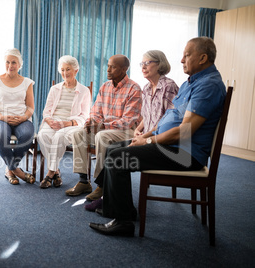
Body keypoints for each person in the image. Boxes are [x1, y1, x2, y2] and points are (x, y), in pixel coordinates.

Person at [89, 37, 226, 236]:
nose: (181, 60)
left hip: (184, 153)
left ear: (203, 58)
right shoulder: (192, 82)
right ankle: (120, 210)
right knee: (113, 149)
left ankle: (123, 222)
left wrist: (148, 140)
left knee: (119, 158)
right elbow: (169, 119)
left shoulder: (208, 85)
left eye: (187, 55)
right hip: (170, 144)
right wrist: (147, 135)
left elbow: (184, 131)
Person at [85, 50, 179, 212]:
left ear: (160, 64)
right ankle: (106, 194)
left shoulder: (168, 87)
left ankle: (114, 202)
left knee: (115, 153)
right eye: (141, 64)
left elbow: (167, 121)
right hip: (148, 135)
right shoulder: (148, 88)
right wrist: (139, 130)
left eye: (147, 63)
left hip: (161, 140)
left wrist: (145, 137)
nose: (143, 66)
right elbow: (146, 117)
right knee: (112, 150)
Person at [65, 55, 142, 198]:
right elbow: (96, 111)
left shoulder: (134, 89)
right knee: (78, 133)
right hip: (105, 128)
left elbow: (128, 121)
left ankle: (102, 184)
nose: (108, 70)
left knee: (102, 135)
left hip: (126, 132)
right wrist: (91, 122)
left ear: (124, 69)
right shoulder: (105, 86)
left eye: (113, 67)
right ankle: (83, 182)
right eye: (108, 66)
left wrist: (102, 126)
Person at [37, 56, 91, 189]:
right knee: (42, 136)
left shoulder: (84, 91)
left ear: (76, 70)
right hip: (53, 121)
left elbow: (84, 116)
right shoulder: (54, 88)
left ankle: (50, 173)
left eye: (68, 69)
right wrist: (49, 120)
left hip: (71, 124)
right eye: (62, 70)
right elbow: (47, 111)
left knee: (59, 137)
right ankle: (56, 171)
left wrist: (66, 123)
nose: (65, 73)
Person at [0, 48, 35, 185]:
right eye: (7, 62)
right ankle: (17, 171)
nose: (10, 65)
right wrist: (2, 117)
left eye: (13, 62)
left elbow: (30, 107)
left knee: (27, 135)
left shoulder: (27, 83)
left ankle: (10, 169)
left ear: (20, 65)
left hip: (22, 119)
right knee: (1, 134)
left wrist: (24, 117)